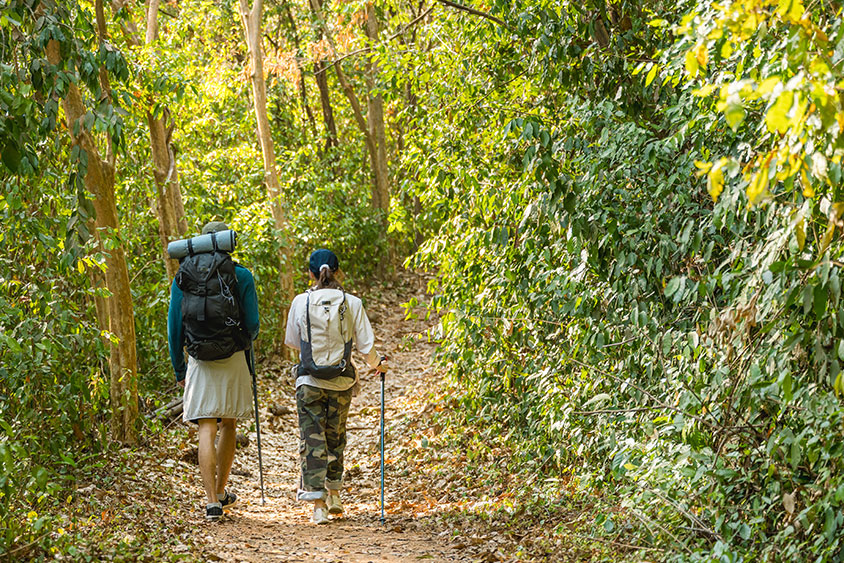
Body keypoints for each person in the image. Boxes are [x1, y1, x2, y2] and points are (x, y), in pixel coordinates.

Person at [284, 249, 388, 524]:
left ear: (310, 273)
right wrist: (379, 364)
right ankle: (336, 493)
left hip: (308, 381)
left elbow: (293, 342)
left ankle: (318, 504)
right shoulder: (352, 302)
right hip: (342, 382)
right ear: (338, 272)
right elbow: (366, 347)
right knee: (336, 436)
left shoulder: (300, 302)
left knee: (312, 439)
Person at [167, 221, 260, 521]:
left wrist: (179, 367)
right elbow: (254, 324)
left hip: (199, 358)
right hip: (232, 356)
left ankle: (211, 502)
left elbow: (174, 327)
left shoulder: (184, 276)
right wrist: (242, 342)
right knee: (228, 424)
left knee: (206, 427)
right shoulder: (241, 275)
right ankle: (221, 490)